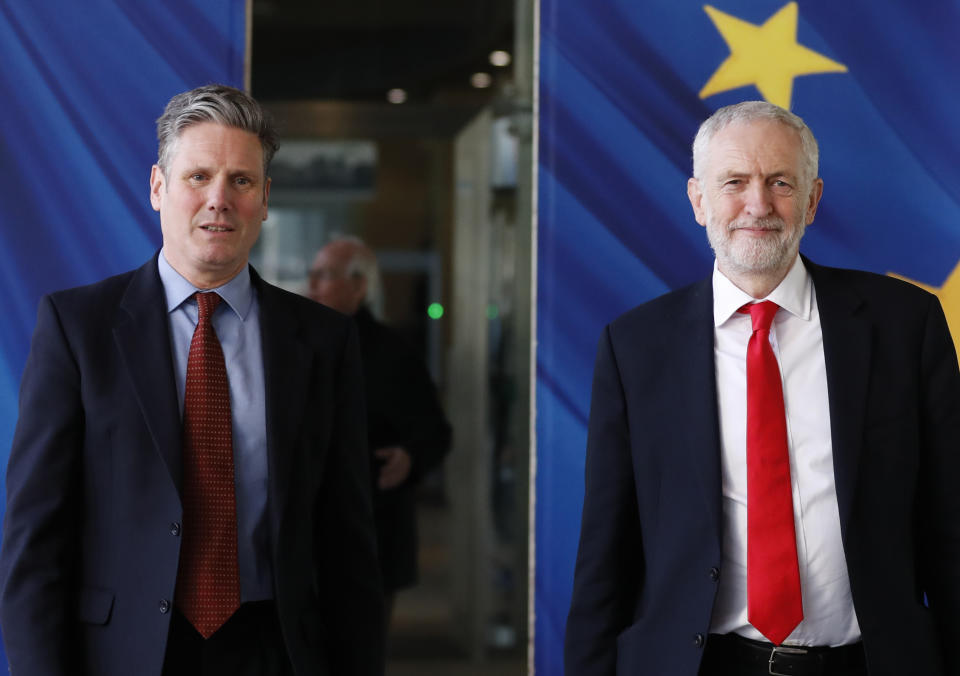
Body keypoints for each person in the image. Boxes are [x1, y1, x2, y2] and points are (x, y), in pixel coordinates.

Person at [564, 101, 960, 676]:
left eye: (780, 182)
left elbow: (950, 528)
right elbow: (605, 554)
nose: (758, 205)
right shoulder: (635, 347)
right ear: (698, 200)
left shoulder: (905, 326)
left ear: (813, 200)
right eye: (735, 182)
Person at [0, 85, 384, 676]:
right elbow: (35, 540)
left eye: (241, 181)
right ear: (158, 187)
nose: (218, 201)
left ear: (265, 199)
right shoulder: (78, 329)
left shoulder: (324, 342)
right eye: (198, 177)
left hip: (275, 650)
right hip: (122, 654)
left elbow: (348, 544)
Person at [308, 237, 452, 619]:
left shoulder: (395, 354)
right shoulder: (299, 345)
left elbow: (435, 431)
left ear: (360, 286)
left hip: (375, 532)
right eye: (312, 275)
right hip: (307, 538)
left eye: (325, 276)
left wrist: (410, 456)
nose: (312, 286)